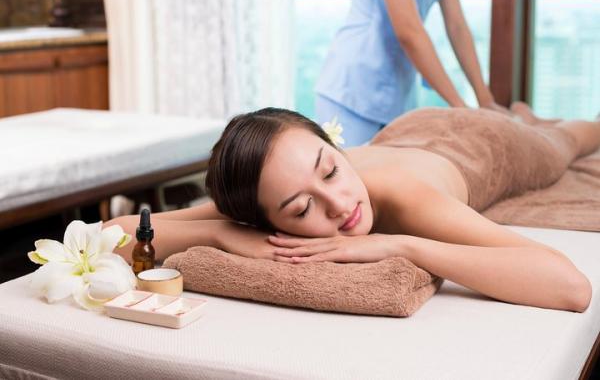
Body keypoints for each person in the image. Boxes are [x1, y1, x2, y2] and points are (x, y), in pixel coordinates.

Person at [107, 104, 599, 312]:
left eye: (331, 170)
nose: (341, 205)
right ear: (261, 219)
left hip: (484, 143)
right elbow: (110, 233)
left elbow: (571, 287)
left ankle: (539, 120)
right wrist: (220, 232)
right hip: (411, 134)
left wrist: (404, 245)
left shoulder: (407, 199)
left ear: (333, 146)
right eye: (303, 209)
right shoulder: (267, 184)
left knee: (562, 141)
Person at [315, 0, 537, 146]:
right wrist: (460, 106)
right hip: (353, 90)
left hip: (397, 95)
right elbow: (409, 31)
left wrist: (485, 100)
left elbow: (457, 27)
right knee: (350, 184)